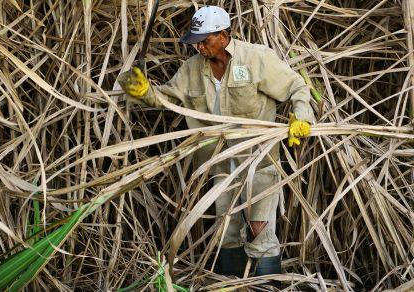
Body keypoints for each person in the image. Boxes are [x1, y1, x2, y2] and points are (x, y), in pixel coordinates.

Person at [119, 5, 314, 281]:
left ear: (223, 36)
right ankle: (233, 285)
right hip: (219, 165)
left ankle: (269, 286)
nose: (199, 47)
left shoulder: (256, 59)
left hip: (258, 162)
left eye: (205, 40)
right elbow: (165, 99)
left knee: (260, 229)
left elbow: (297, 86)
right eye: (195, 41)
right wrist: (140, 90)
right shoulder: (192, 69)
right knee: (227, 232)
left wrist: (302, 118)